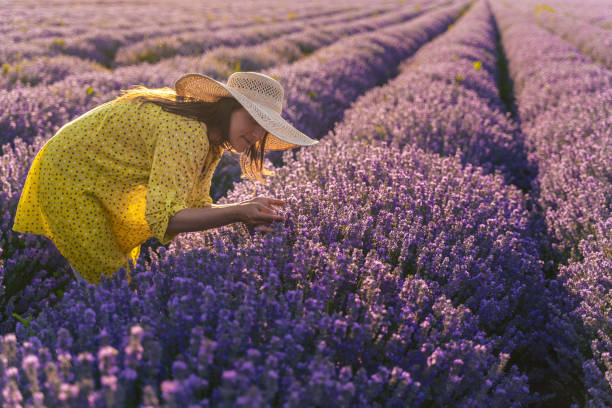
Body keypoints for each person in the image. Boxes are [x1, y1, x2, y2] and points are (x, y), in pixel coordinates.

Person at [12, 71, 318, 285]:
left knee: (119, 280)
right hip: (68, 177)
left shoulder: (209, 139)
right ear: (228, 108)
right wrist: (238, 212)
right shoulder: (188, 132)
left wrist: (245, 207)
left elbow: (193, 207)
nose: (256, 134)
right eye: (253, 119)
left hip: (93, 175)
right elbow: (166, 219)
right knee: (109, 284)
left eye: (265, 128)